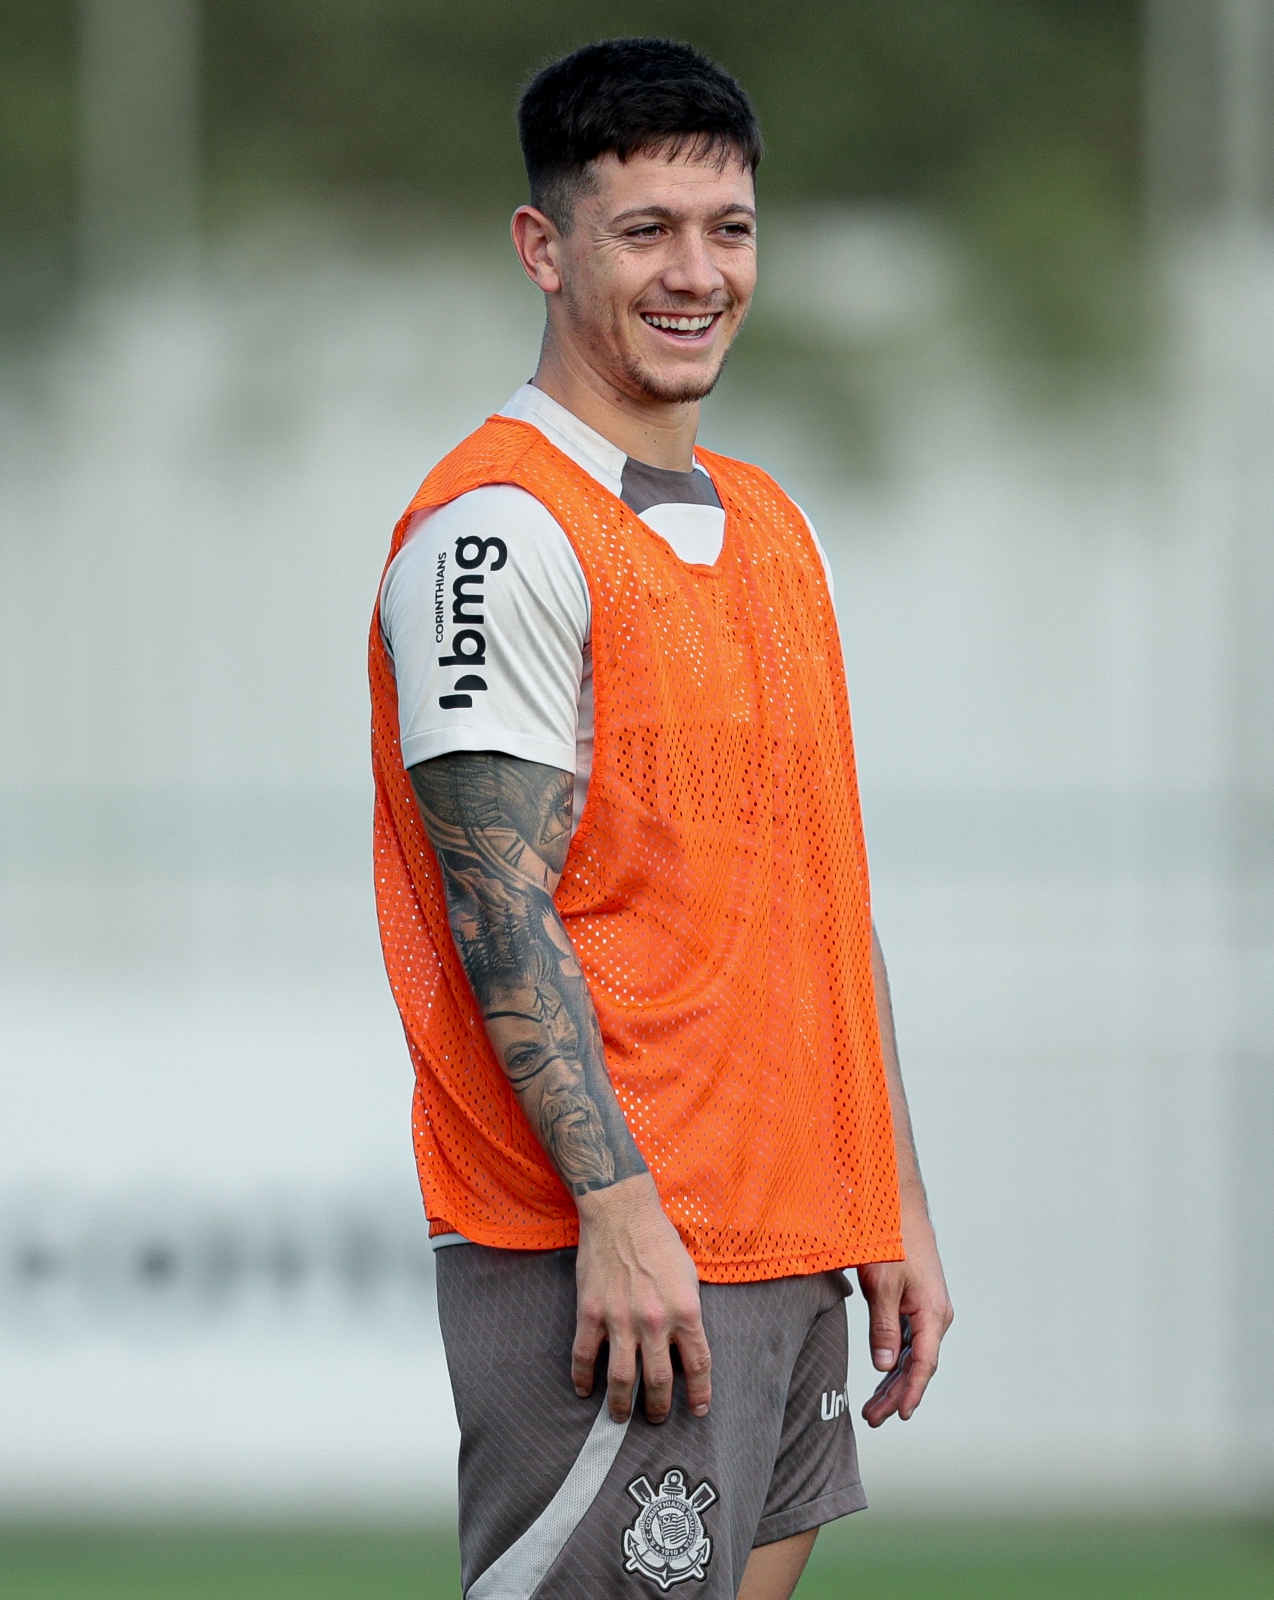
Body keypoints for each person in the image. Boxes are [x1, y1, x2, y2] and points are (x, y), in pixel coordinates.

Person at [369, 37, 952, 1600]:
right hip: (619, 1261)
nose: (697, 274)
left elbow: (821, 893)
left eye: (730, 229)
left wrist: (882, 1186)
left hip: (785, 1242)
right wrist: (618, 1218)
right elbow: (501, 908)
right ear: (543, 247)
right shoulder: (496, 531)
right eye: (646, 232)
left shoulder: (768, 525)